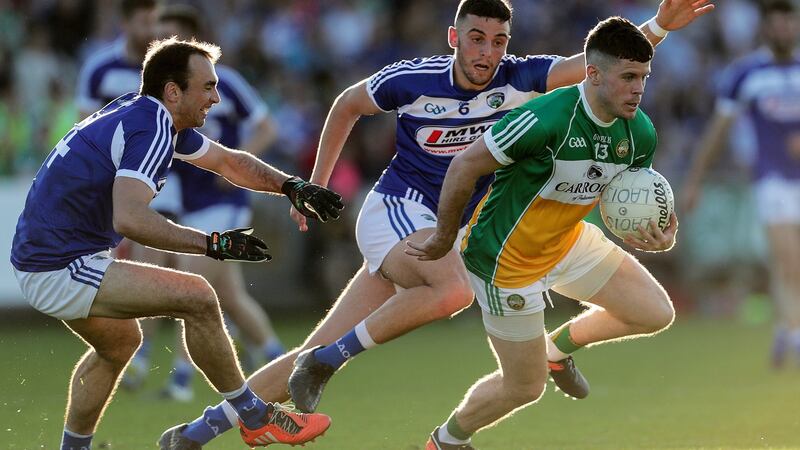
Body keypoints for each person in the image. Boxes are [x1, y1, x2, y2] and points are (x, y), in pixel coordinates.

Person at [159, 1, 711, 448]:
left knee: (317, 344)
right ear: (454, 37)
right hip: (400, 208)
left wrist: (659, 26)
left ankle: (196, 433)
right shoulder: (413, 79)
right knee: (450, 288)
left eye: (498, 42)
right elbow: (348, 105)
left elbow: (595, 68)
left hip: (462, 224)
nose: (487, 52)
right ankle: (331, 363)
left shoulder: (520, 79)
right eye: (476, 39)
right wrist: (313, 186)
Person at [10, 37, 343, 450]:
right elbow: (129, 217)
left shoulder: (149, 115)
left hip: (48, 256)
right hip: (58, 263)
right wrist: (212, 244)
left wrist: (290, 185)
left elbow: (227, 161)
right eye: (207, 87)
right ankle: (256, 418)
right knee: (199, 296)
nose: (216, 98)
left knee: (121, 343)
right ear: (173, 91)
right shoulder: (151, 126)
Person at [406, 17, 678, 449]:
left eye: (643, 77)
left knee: (654, 312)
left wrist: (655, 228)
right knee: (523, 388)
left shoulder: (639, 131)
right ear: (593, 73)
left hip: (567, 241)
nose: (637, 88)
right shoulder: (543, 118)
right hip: (504, 261)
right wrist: (443, 236)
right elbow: (464, 165)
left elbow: (626, 197)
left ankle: (556, 350)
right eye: (628, 77)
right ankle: (447, 441)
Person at [127, 3, 286, 402]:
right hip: (187, 203)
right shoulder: (165, 90)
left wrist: (235, 166)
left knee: (190, 284)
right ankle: (283, 361)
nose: (165, 41)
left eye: (174, 34)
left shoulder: (225, 82)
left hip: (223, 203)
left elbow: (267, 127)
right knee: (231, 297)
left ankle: (180, 380)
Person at [75, 0, 188, 391]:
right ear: (126, 23)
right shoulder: (100, 68)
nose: (152, 28)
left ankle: (162, 364)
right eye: (145, 21)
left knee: (168, 275)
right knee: (137, 278)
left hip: (161, 186)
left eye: (156, 21)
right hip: (114, 192)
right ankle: (135, 352)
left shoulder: (163, 73)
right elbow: (82, 128)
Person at [683, 0, 800, 368]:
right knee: (790, 262)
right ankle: (796, 337)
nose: (783, 30)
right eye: (776, 23)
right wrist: (695, 181)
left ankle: (786, 328)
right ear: (765, 28)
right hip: (772, 180)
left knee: (789, 267)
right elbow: (717, 133)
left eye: (788, 23)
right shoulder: (746, 74)